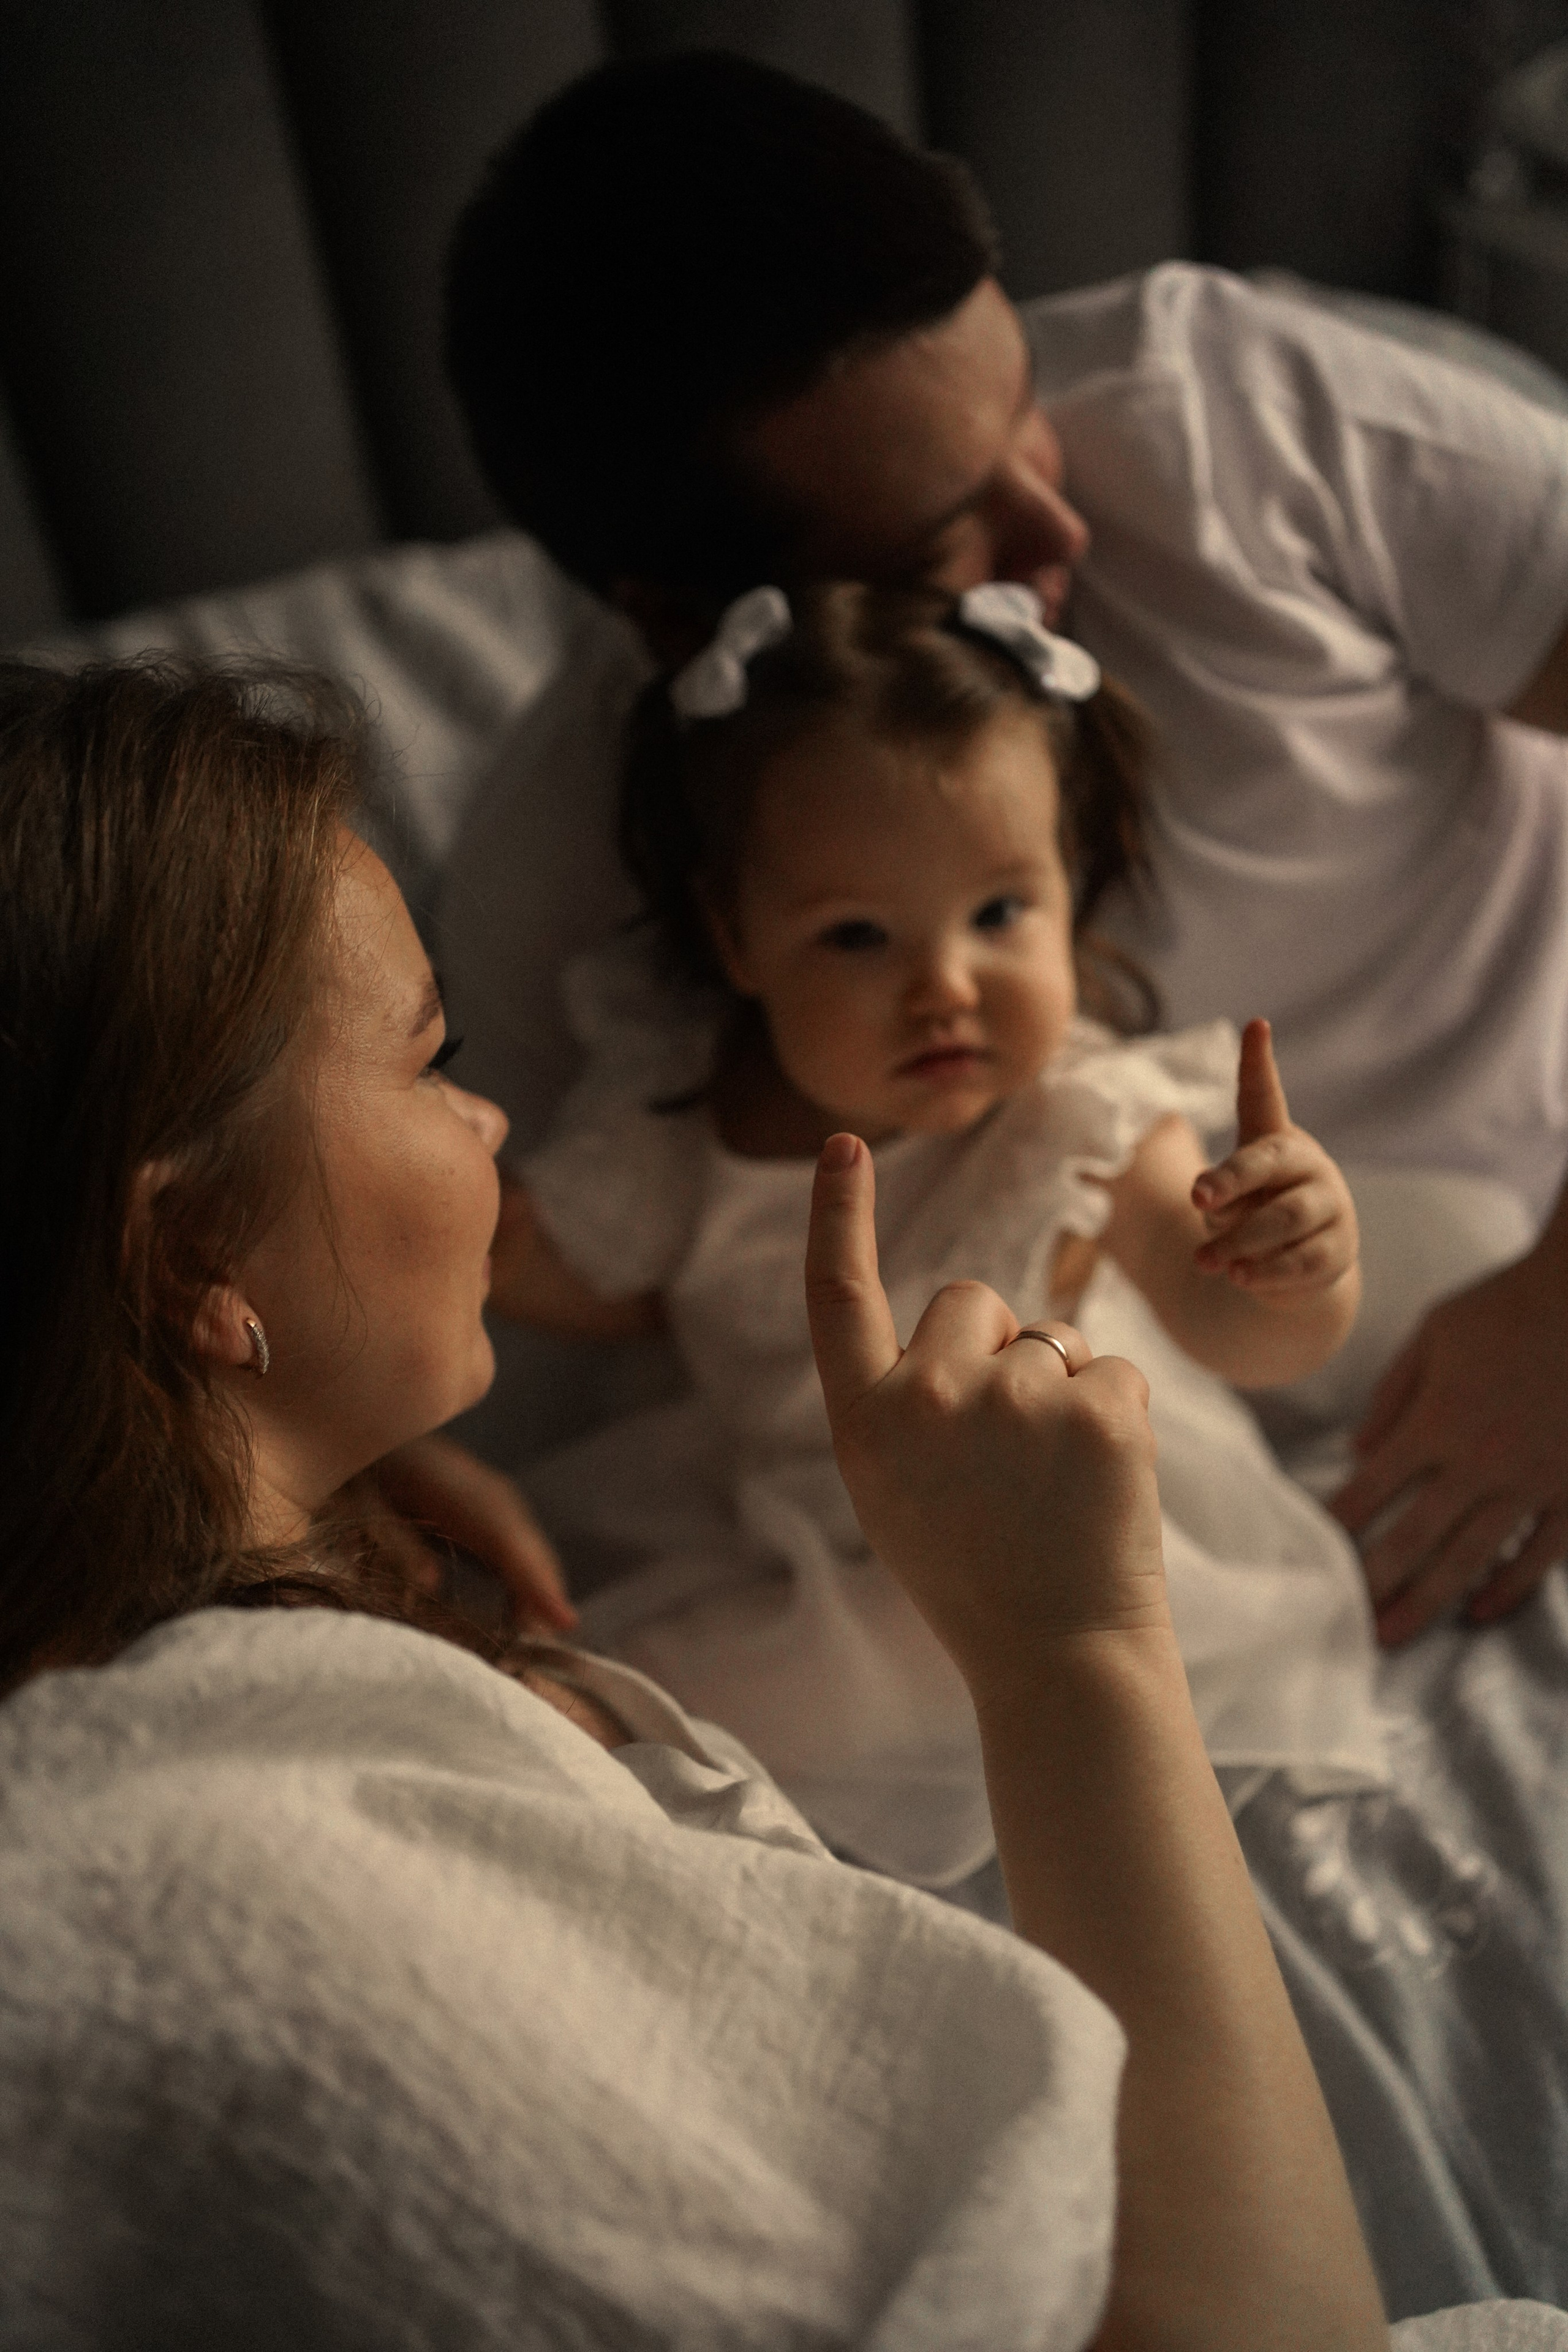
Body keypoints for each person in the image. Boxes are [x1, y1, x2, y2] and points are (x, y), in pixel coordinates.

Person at [0, 652, 1437, 2350]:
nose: (488, 1123)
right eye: (431, 1057)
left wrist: (301, 1470)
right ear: (183, 1253)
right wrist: (1076, 1657)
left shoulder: (258, 1649)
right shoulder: (250, 1882)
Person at [440, 50, 1568, 1646]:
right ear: (683, 618)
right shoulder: (581, 867)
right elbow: (532, 1293)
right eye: (938, 542)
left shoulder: (1243, 416)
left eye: (1023, 404)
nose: (1063, 532)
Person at [486, 579, 1382, 1885]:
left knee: (698, 1683)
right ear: (736, 940)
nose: (944, 986)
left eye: (1000, 913)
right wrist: (450, 1214)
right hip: (774, 1519)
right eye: (857, 935)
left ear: (1070, 892)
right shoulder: (681, 1122)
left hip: (1052, 1542)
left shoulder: (1077, 1120)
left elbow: (1237, 1334)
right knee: (582, 1616)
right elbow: (564, 1272)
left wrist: (1296, 1263)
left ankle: (576, 1730)